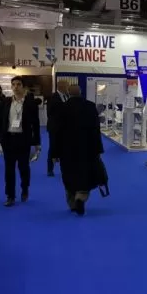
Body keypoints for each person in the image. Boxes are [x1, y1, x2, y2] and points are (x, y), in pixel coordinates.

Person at [53, 85, 103, 216]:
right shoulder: (90, 106)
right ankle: (81, 196)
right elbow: (96, 130)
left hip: (66, 149)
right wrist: (98, 149)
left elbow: (56, 132)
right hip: (87, 148)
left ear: (68, 93)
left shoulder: (62, 108)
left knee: (68, 175)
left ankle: (72, 203)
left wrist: (55, 152)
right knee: (85, 175)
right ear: (80, 92)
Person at [0, 76, 41, 207]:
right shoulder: (5, 102)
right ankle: (10, 196)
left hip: (23, 139)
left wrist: (36, 142)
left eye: (18, 84)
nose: (15, 87)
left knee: (23, 167)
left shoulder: (30, 104)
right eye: (13, 84)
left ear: (23, 87)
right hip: (8, 139)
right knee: (9, 169)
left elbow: (36, 124)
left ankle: (25, 188)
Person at [46, 80, 69, 177]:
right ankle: (50, 169)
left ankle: (65, 169)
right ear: (61, 86)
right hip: (55, 129)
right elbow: (50, 113)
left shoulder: (67, 96)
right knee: (53, 148)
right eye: (67, 86)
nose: (68, 88)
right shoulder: (53, 97)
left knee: (65, 149)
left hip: (65, 129)